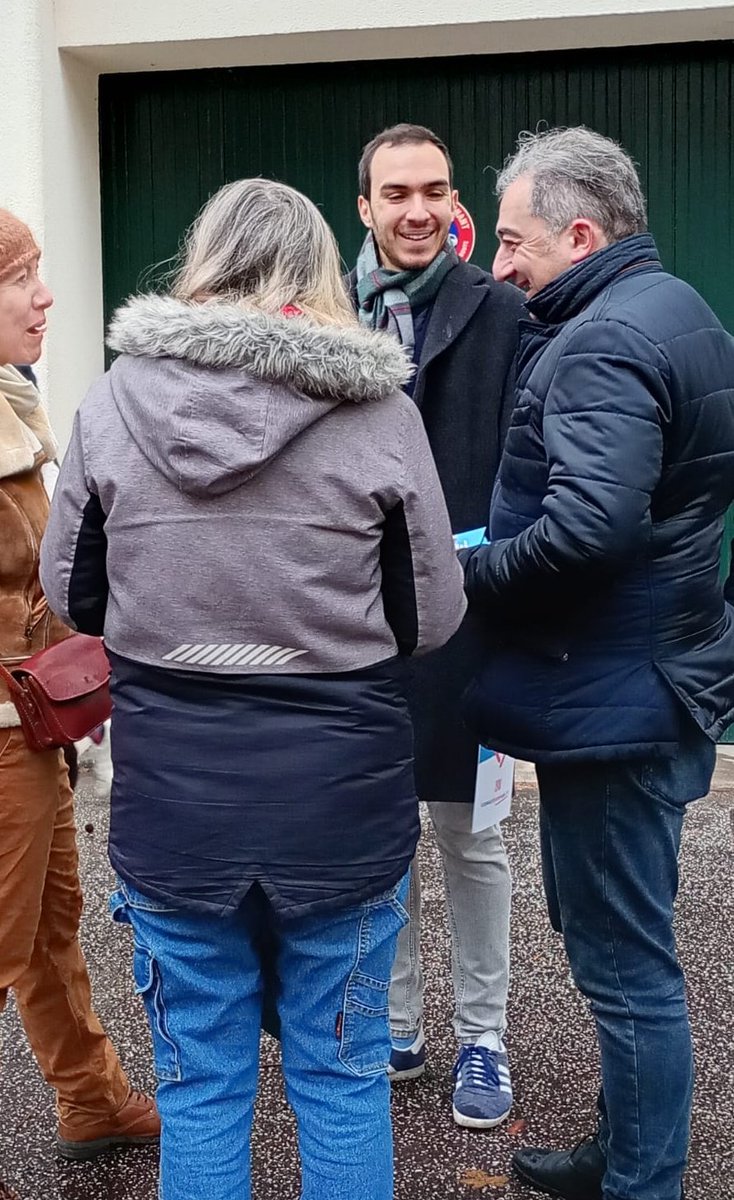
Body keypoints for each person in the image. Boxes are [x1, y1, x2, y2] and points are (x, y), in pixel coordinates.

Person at [40, 178, 466, 1200]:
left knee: (200, 1087)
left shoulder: (114, 400)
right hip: (340, 806)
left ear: (201, 263)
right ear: (316, 270)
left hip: (175, 804)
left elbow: (72, 592)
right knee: (342, 1075)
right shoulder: (376, 412)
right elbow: (432, 614)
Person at [461, 126, 734, 1200]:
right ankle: (621, 1153)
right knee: (614, 936)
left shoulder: (601, 343)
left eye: (515, 241)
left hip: (610, 691)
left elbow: (587, 531)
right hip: (644, 671)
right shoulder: (675, 309)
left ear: (580, 233)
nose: (499, 265)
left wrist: (465, 573)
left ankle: (641, 1183)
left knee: (624, 967)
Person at [351, 123, 524, 1129]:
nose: (417, 210)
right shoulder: (324, 319)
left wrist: (490, 562)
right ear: (364, 207)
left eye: (434, 190)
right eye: (396, 193)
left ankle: (484, 1038)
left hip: (466, 612)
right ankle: (398, 1026)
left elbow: (526, 454)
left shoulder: (501, 311)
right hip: (358, 622)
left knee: (470, 836)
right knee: (383, 835)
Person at [0, 209, 160, 1187]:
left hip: (32, 725)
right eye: (19, 276)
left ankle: (90, 1098)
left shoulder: (12, 400)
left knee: (49, 928)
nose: (46, 293)